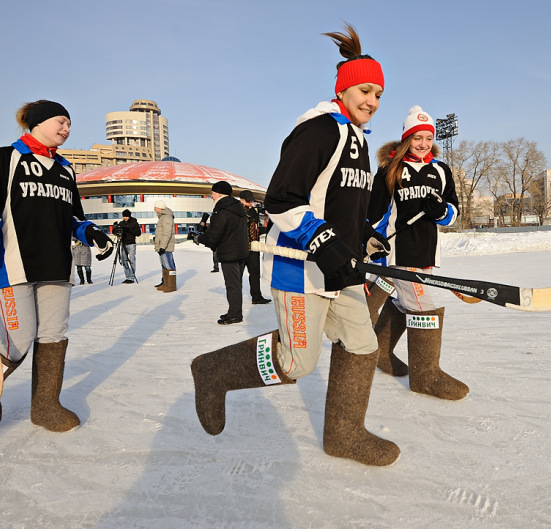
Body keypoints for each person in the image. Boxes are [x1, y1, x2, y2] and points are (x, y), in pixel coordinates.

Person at [191, 24, 398, 467]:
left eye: (379, 95)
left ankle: (344, 434)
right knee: (297, 362)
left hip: (340, 271)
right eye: (365, 91)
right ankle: (213, 371)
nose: (373, 102)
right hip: (299, 266)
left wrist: (366, 237)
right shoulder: (321, 130)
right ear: (343, 89)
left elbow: (346, 209)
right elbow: (283, 198)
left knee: (363, 346)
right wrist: (322, 239)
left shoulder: (359, 141)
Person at [0, 99, 113, 432]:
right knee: (18, 339)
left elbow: (70, 216)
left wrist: (90, 231)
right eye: (61, 122)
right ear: (37, 122)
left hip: (56, 265)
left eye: (70, 124)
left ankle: (45, 406)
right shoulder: (5, 158)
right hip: (12, 267)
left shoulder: (66, 169)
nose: (66, 129)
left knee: (54, 335)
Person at [367, 105, 468, 400]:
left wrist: (442, 211)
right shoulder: (391, 169)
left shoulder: (441, 170)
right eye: (416, 138)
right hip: (398, 252)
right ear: (405, 139)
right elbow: (374, 213)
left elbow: (452, 215)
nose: (423, 144)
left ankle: (381, 353)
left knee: (404, 302)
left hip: (426, 251)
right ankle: (426, 375)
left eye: (427, 137)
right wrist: (372, 241)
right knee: (422, 305)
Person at [193, 181, 249, 324]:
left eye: (212, 193)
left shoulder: (222, 212)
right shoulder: (238, 209)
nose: (211, 196)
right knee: (236, 284)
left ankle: (235, 314)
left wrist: (199, 238)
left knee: (232, 285)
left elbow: (213, 236)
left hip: (229, 254)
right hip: (241, 252)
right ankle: (234, 311)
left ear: (219, 193)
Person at [239, 190, 271, 305]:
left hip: (253, 247)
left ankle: (256, 296)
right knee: (238, 276)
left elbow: (257, 227)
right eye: (248, 201)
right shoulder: (237, 210)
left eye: (251, 201)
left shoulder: (254, 211)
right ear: (241, 199)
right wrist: (249, 213)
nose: (250, 203)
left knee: (255, 273)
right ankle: (236, 300)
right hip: (241, 248)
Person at [153, 199, 176, 292]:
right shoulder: (162, 217)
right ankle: (166, 283)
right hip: (162, 246)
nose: (154, 209)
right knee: (164, 265)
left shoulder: (166, 217)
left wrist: (162, 246)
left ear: (159, 208)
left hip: (165, 246)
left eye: (155, 207)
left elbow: (167, 233)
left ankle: (171, 286)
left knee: (169, 265)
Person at [113, 209, 141, 284]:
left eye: (126, 216)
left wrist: (129, 229)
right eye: (124, 216)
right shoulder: (121, 223)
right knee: (124, 261)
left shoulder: (134, 223)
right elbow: (116, 233)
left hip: (131, 244)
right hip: (123, 244)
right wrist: (114, 228)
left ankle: (132, 277)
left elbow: (138, 233)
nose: (125, 218)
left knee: (132, 261)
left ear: (129, 216)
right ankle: (128, 277)